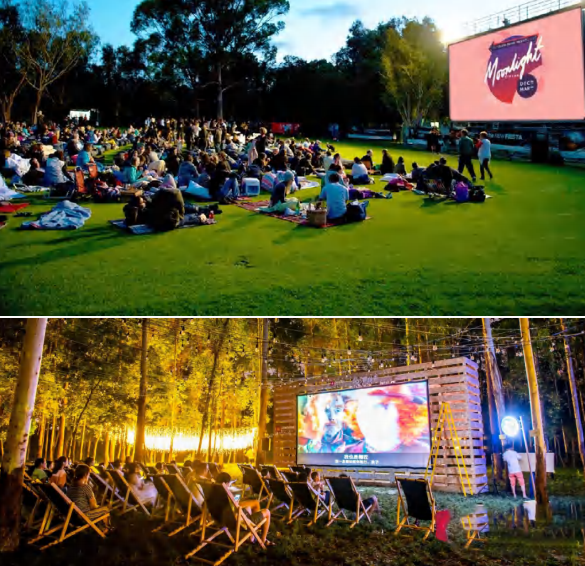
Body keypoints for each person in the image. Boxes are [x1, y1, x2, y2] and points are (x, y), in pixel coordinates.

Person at [215, 472, 272, 545]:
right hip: (236, 522)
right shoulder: (225, 494)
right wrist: (236, 503)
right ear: (225, 483)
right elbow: (235, 510)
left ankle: (252, 534)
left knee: (248, 507)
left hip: (226, 520)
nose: (229, 485)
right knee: (267, 512)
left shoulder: (214, 494)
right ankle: (263, 540)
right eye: (229, 483)